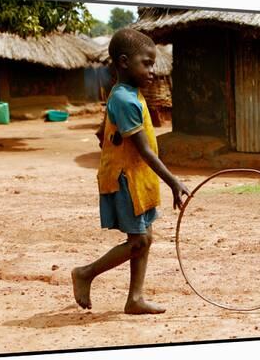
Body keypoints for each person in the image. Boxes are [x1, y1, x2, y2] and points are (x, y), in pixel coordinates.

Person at [72, 28, 190, 315]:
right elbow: (145, 151)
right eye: (146, 63)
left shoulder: (127, 94)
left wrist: (110, 138)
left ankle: (134, 298)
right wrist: (174, 182)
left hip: (139, 178)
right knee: (139, 241)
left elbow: (103, 133)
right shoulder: (125, 99)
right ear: (124, 62)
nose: (153, 71)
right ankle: (85, 273)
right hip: (127, 180)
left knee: (144, 238)